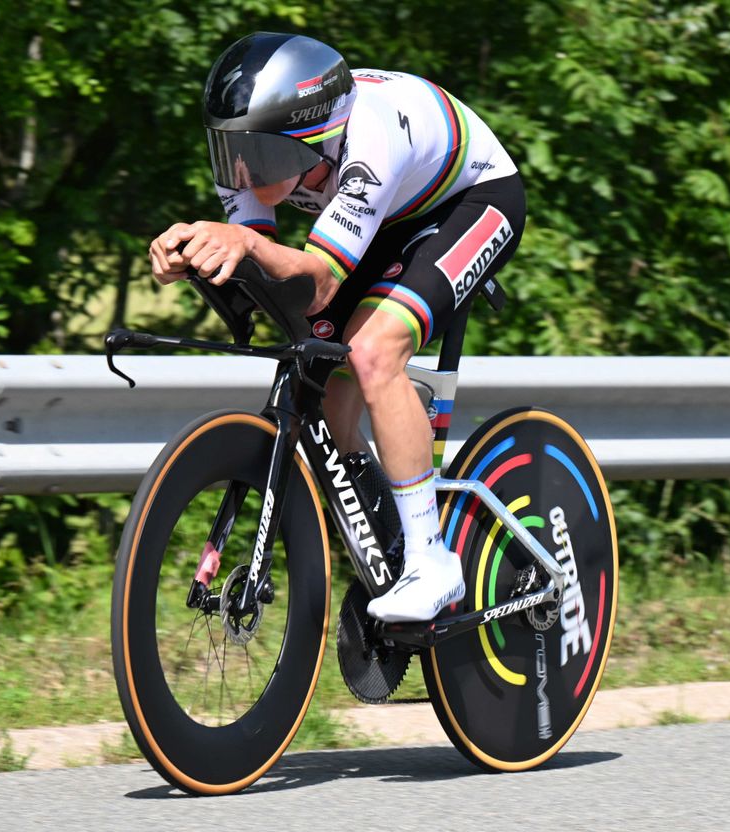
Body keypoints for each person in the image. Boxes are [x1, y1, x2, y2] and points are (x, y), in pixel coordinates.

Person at [148, 32, 524, 623]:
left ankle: (432, 560)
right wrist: (188, 255)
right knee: (317, 374)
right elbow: (268, 275)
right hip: (390, 214)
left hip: (472, 201)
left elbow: (317, 279)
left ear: (313, 142)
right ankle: (386, 527)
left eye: (259, 158)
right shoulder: (248, 152)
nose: (240, 175)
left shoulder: (369, 145)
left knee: (374, 353)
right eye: (228, 153)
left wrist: (242, 239)